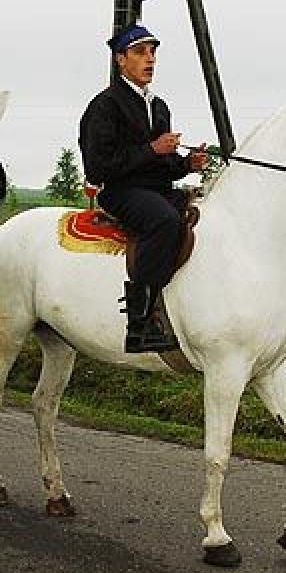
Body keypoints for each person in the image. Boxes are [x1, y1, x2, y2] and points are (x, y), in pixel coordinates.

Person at [78, 23, 207, 354]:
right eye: (139, 52)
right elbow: (98, 167)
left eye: (152, 52)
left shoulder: (159, 106)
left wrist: (187, 163)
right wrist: (152, 149)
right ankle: (140, 325)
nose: (150, 59)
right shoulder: (104, 106)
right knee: (164, 220)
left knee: (205, 214)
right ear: (120, 59)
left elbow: (163, 163)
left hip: (155, 190)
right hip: (121, 191)